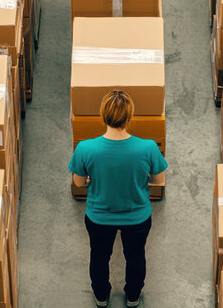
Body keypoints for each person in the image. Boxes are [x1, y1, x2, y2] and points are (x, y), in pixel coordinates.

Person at [68, 90, 168, 307]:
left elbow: (78, 183)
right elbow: (159, 181)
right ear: (130, 116)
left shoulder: (85, 148)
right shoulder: (148, 147)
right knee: (135, 256)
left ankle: (102, 297)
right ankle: (133, 297)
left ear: (103, 115)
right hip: (137, 217)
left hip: (99, 217)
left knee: (99, 256)